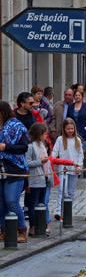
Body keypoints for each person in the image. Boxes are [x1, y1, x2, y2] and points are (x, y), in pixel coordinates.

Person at [25, 123, 75, 235]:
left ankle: (41, 225)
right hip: (35, 180)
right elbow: (27, 163)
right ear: (39, 135)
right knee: (34, 204)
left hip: (44, 179)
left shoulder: (42, 145)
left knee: (42, 204)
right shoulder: (31, 147)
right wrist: (40, 161)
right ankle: (33, 226)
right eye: (44, 134)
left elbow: (50, 159)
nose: (46, 135)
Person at [0, 101, 29, 242]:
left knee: (12, 201)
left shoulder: (17, 126)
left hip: (14, 167)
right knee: (1, 202)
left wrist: (6, 147)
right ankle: (4, 230)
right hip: (1, 169)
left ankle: (22, 230)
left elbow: (23, 147)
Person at [52, 118, 84, 219]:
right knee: (62, 190)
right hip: (63, 169)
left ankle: (67, 211)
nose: (70, 130)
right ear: (64, 129)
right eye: (68, 129)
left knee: (71, 192)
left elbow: (80, 155)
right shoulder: (60, 139)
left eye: (72, 128)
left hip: (74, 170)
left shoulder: (77, 140)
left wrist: (79, 165)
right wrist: (52, 160)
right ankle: (59, 211)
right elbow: (54, 152)